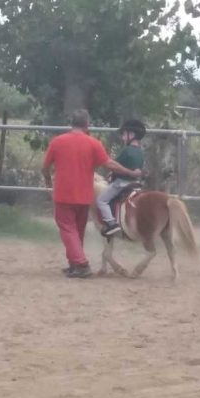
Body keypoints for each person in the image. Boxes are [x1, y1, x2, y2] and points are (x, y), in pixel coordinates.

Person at [42, 109, 143, 278]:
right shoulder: (94, 143)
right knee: (78, 230)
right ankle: (74, 263)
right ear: (87, 124)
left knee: (67, 229)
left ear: (71, 123)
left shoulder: (57, 141)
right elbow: (110, 164)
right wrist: (130, 172)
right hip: (84, 195)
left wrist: (46, 180)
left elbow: (45, 167)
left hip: (63, 194)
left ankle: (81, 264)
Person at [95, 119, 146, 236]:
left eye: (124, 134)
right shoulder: (140, 152)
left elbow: (115, 166)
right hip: (135, 183)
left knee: (101, 200)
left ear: (131, 135)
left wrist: (111, 171)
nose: (123, 138)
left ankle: (111, 223)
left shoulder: (126, 150)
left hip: (121, 183)